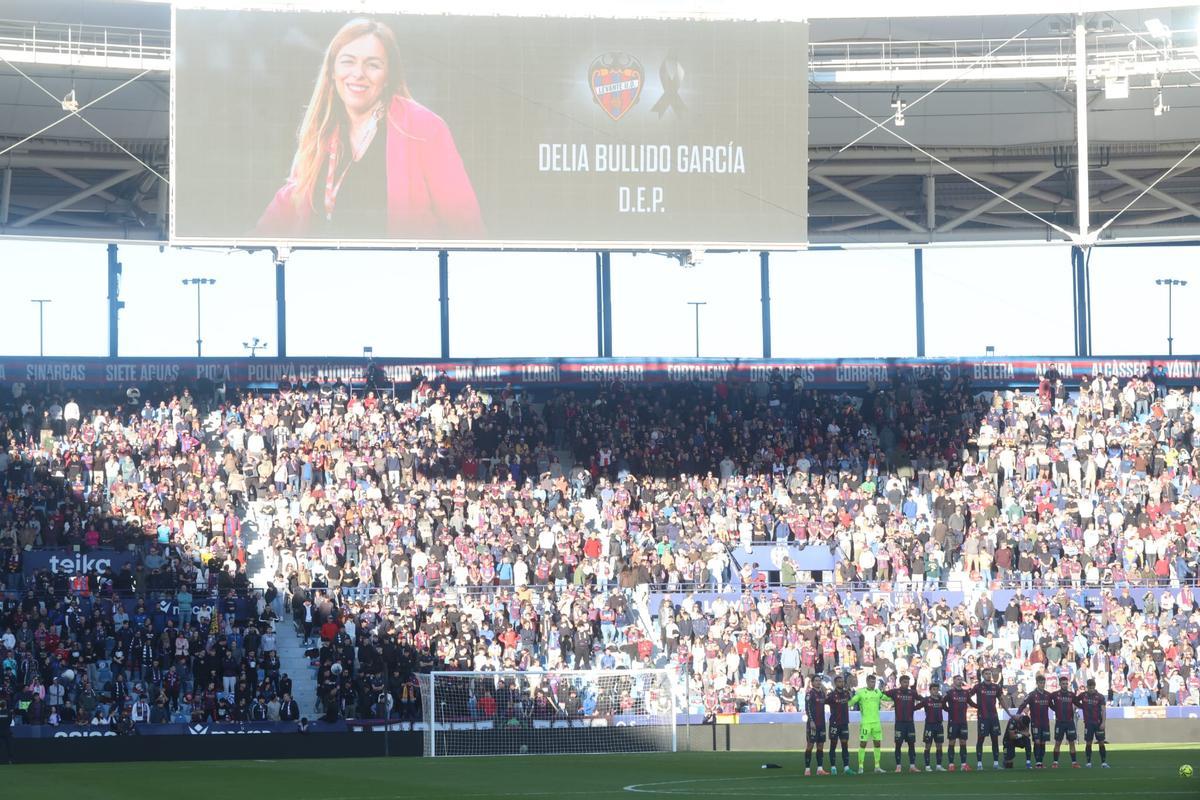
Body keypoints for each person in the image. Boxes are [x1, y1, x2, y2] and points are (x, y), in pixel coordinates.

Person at [256, 18, 483, 240]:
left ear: (388, 76)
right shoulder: (321, 130)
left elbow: (465, 225)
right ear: (332, 71)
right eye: (348, 61)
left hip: (401, 274)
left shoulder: (424, 127)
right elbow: (284, 209)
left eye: (373, 64)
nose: (358, 73)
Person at [849, 674, 885, 774]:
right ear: (867, 682)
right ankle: (860, 767)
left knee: (877, 743)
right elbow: (851, 702)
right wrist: (844, 703)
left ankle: (877, 766)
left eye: (874, 682)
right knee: (863, 744)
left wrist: (895, 697)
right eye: (871, 682)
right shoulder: (861, 692)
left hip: (876, 723)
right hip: (866, 723)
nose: (873, 684)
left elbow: (886, 697)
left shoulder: (878, 692)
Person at [1015, 674, 1053, 769]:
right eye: (1040, 682)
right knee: (1037, 741)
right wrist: (1017, 714)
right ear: (1037, 683)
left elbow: (1052, 706)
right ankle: (1037, 762)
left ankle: (1040, 761)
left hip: (1045, 722)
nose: (1042, 684)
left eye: (1043, 682)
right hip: (1036, 722)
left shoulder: (1048, 695)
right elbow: (1023, 705)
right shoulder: (1031, 694)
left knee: (1043, 742)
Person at [884, 674, 920, 773]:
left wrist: (916, 708)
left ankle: (912, 766)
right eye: (904, 682)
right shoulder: (895, 692)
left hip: (910, 723)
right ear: (900, 682)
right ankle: (898, 766)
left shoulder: (912, 692)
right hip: (899, 723)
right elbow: (883, 694)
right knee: (898, 744)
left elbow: (922, 700)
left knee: (911, 744)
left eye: (907, 682)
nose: (906, 684)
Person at [971, 668, 1006, 770]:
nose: (988, 675)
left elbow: (1001, 700)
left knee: (995, 740)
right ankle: (979, 764)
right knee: (980, 739)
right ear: (982, 675)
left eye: (989, 674)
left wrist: (1008, 712)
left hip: (994, 717)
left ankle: (995, 763)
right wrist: (976, 706)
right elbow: (968, 697)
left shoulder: (996, 687)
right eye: (986, 674)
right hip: (983, 717)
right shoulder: (978, 687)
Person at [942, 675, 974, 771]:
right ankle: (951, 764)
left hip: (963, 721)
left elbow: (971, 703)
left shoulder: (965, 693)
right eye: (958, 679)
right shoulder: (950, 693)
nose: (960, 681)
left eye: (961, 679)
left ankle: (963, 764)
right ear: (954, 681)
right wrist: (948, 710)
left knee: (963, 742)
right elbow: (943, 703)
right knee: (952, 742)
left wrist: (979, 706)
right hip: (953, 721)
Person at [1075, 679, 1109, 768]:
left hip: (1098, 723)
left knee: (1101, 742)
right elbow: (1075, 701)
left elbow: (1103, 710)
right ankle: (1088, 762)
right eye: (1089, 687)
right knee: (1088, 742)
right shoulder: (1083, 695)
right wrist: (1082, 706)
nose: (1091, 689)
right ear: (1087, 687)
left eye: (1092, 687)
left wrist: (1103, 723)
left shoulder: (1100, 697)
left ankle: (1103, 763)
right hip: (1088, 723)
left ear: (1095, 686)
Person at [826, 674, 854, 775]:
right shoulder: (831, 695)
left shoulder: (846, 694)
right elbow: (824, 701)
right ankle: (833, 767)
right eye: (839, 682)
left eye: (842, 682)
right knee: (833, 745)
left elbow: (851, 697)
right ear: (835, 683)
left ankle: (846, 767)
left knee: (845, 745)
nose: (841, 683)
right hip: (834, 723)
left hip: (844, 723)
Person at [1051, 678, 1082, 768]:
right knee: (1058, 742)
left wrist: (1086, 706)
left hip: (1069, 722)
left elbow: (1078, 704)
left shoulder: (1071, 695)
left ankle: (1074, 763)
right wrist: (1055, 708)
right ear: (1060, 684)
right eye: (1063, 683)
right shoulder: (1055, 694)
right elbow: (1049, 702)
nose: (1065, 685)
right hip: (1059, 722)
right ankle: (1055, 762)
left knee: (1072, 742)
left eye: (1066, 683)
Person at [919, 683, 947, 772]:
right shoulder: (926, 700)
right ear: (930, 690)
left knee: (939, 746)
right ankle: (927, 766)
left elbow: (946, 708)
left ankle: (939, 765)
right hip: (929, 726)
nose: (935, 691)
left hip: (939, 725)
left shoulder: (941, 700)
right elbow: (916, 707)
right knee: (928, 746)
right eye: (934, 689)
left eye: (937, 689)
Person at [803, 679, 828, 776]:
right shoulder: (810, 693)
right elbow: (807, 707)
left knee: (820, 745)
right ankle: (807, 769)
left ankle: (820, 769)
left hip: (821, 723)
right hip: (813, 723)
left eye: (819, 681)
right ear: (812, 683)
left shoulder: (822, 693)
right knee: (810, 745)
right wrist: (811, 721)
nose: (818, 682)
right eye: (816, 681)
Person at [0, 698, 12, 764]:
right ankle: (10, 760)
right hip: (7, 731)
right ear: (5, 705)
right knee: (9, 746)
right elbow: (10, 722)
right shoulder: (9, 712)